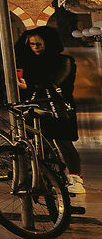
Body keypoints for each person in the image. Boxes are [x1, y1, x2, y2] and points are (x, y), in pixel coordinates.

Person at [17, 24, 85, 196]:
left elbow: (56, 81)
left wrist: (30, 84)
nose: (35, 48)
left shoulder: (64, 61)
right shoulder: (29, 62)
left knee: (64, 143)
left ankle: (76, 179)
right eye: (31, 44)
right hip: (37, 108)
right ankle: (52, 177)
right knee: (43, 144)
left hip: (59, 109)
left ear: (50, 43)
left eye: (39, 44)